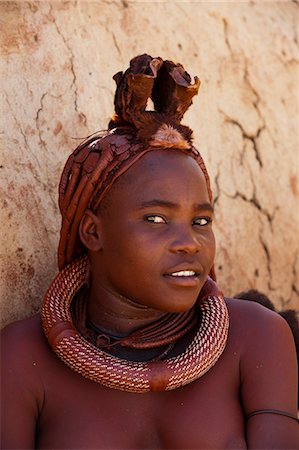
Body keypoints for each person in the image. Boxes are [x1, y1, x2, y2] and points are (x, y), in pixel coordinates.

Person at [1, 54, 298, 450]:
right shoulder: (22, 359)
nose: (189, 242)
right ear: (93, 231)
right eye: (156, 220)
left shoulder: (255, 338)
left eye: (201, 221)